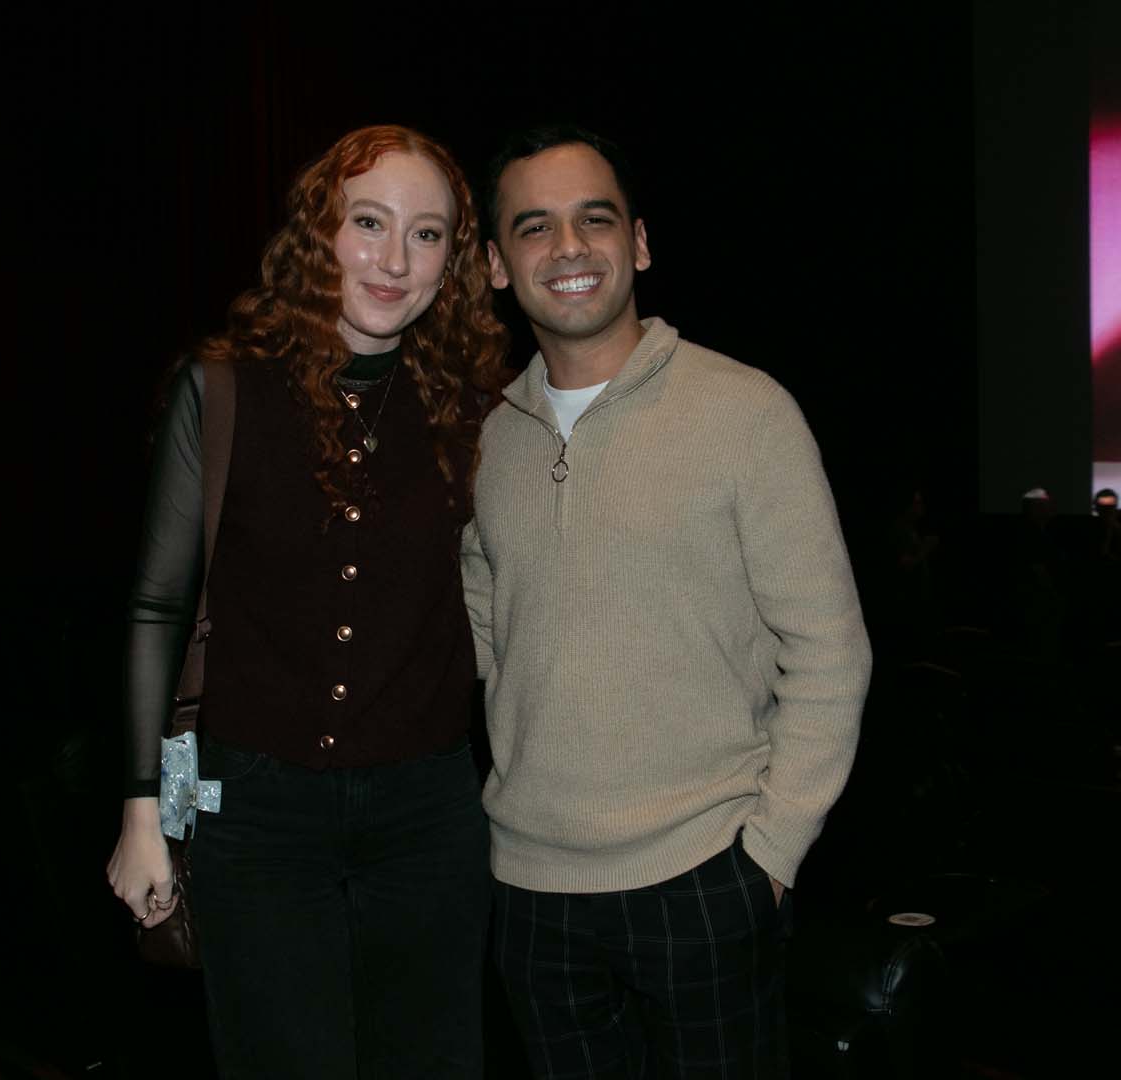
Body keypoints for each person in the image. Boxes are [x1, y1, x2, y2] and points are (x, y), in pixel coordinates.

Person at [461, 126, 872, 1078]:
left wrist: (767, 854)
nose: (567, 248)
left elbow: (829, 651)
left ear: (638, 243)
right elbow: (484, 628)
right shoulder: (485, 441)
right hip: (527, 891)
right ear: (493, 264)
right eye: (533, 227)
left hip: (706, 878)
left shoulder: (745, 411)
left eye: (593, 219)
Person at [106, 124, 506, 1079]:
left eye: (427, 235)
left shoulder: (477, 405)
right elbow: (161, 610)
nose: (394, 258)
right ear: (318, 233)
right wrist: (142, 812)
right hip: (255, 817)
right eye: (369, 222)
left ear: (457, 261)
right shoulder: (223, 389)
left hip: (428, 818)